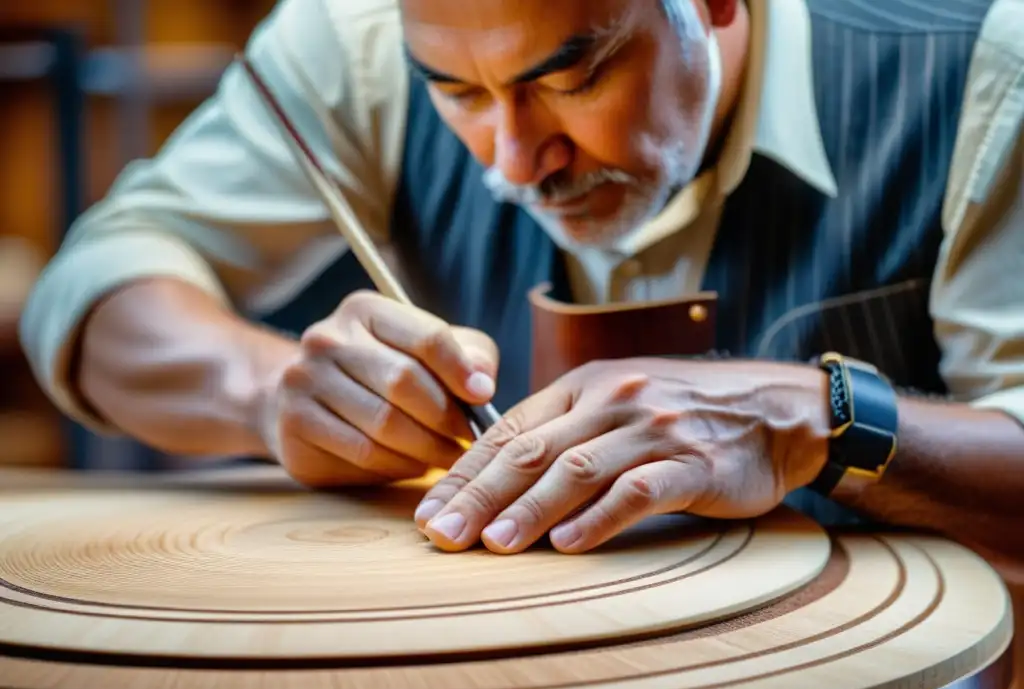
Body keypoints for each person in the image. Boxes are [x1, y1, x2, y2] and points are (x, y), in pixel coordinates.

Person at [19, 0, 1023, 559]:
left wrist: (820, 416)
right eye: (454, 91)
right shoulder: (352, 41)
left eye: (570, 77)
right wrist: (268, 394)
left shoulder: (980, 71)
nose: (509, 159)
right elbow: (97, 281)